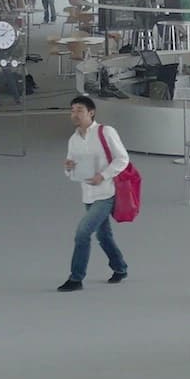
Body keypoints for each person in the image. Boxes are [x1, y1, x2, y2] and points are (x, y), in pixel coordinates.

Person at [58, 95, 130, 291]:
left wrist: (103, 175)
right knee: (104, 235)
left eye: (79, 110)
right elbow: (71, 169)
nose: (75, 114)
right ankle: (120, 267)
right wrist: (68, 167)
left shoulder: (105, 132)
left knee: (83, 233)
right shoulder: (74, 140)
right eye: (72, 110)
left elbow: (122, 159)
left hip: (106, 193)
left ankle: (76, 278)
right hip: (88, 193)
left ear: (91, 112)